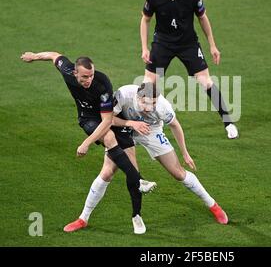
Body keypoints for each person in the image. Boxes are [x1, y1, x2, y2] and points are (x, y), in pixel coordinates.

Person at [20, 51, 156, 234]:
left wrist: (86, 143)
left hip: (110, 119)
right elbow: (55, 56)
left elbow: (107, 121)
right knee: (109, 139)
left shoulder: (103, 83)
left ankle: (136, 215)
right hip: (88, 120)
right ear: (75, 73)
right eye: (84, 76)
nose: (89, 80)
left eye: (91, 75)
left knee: (111, 171)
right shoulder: (68, 71)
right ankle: (86, 217)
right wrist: (35, 56)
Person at [64, 82, 229, 231]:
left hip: (151, 130)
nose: (149, 108)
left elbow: (175, 126)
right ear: (138, 96)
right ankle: (83, 218)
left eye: (153, 103)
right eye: (145, 103)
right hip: (124, 129)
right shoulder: (124, 94)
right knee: (107, 173)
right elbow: (107, 120)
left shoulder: (163, 107)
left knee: (178, 173)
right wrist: (131, 123)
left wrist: (185, 153)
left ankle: (213, 205)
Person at [140, 0, 239, 139]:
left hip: (188, 44)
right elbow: (145, 19)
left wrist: (212, 45)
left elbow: (203, 18)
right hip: (162, 43)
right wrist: (144, 47)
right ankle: (151, 123)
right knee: (149, 82)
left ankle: (228, 122)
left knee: (205, 82)